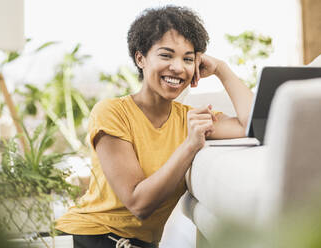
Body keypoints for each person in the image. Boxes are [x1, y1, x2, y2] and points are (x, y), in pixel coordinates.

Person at [56, 5, 253, 248]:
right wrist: (190, 145)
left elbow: (253, 124)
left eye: (188, 59)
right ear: (141, 58)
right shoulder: (111, 113)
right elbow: (139, 204)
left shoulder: (190, 119)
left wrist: (223, 69)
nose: (178, 67)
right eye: (166, 55)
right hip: (100, 237)